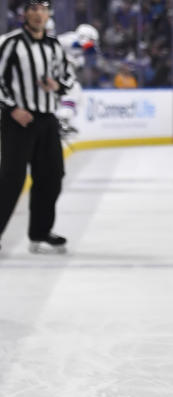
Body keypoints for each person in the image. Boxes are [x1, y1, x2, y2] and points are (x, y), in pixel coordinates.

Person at [0, 0, 74, 254]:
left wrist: (57, 85)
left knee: (52, 176)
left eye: (42, 8)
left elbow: (68, 75)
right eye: (33, 9)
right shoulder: (11, 43)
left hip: (46, 119)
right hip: (18, 120)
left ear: (48, 13)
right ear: (24, 14)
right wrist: (11, 109)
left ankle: (40, 233)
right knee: (11, 180)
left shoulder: (54, 46)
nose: (38, 14)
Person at [54, 22, 98, 138]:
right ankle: (61, 122)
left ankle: (62, 122)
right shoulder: (69, 38)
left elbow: (80, 58)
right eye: (92, 40)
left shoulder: (81, 55)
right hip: (51, 72)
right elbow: (76, 44)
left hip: (59, 76)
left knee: (78, 97)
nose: (93, 43)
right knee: (74, 90)